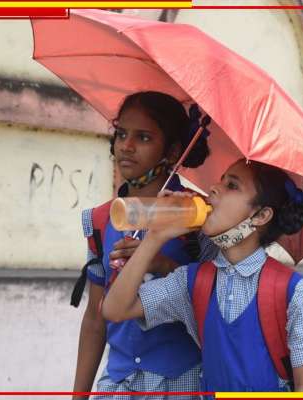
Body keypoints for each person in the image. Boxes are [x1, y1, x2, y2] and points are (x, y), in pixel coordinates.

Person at [102, 159, 303, 393]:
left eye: (232, 186)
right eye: (221, 180)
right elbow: (115, 309)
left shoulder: (292, 290)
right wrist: (155, 237)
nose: (214, 188)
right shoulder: (192, 282)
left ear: (261, 215)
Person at [71, 91, 215, 399]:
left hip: (182, 384)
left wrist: (163, 264)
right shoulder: (100, 220)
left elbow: (214, 303)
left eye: (144, 137)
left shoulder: (200, 217)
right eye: (121, 134)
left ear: (174, 151)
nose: (127, 146)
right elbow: (96, 319)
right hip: (119, 385)